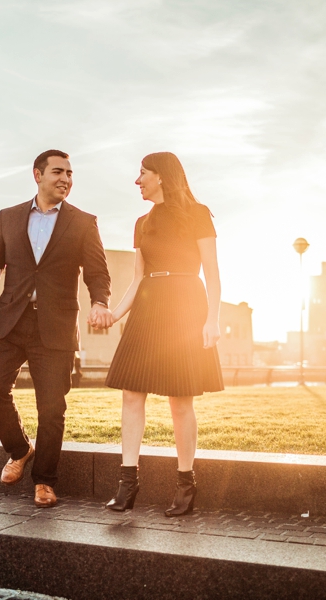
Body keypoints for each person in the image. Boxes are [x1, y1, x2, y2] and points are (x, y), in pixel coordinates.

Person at [0, 149, 111, 508]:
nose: (66, 179)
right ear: (38, 175)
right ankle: (19, 449)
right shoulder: (9, 217)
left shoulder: (83, 222)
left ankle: (45, 480)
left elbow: (97, 271)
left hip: (56, 325)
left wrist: (100, 301)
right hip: (9, 321)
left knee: (51, 409)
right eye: (58, 172)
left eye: (70, 174)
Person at [99, 151, 224, 517]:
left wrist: (213, 320)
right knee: (131, 392)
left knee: (180, 399)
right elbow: (138, 278)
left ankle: (186, 483)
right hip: (148, 307)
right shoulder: (141, 223)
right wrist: (114, 314)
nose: (137, 180)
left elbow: (213, 274)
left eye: (142, 173)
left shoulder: (198, 214)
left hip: (186, 305)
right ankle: (127, 483)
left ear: (162, 176)